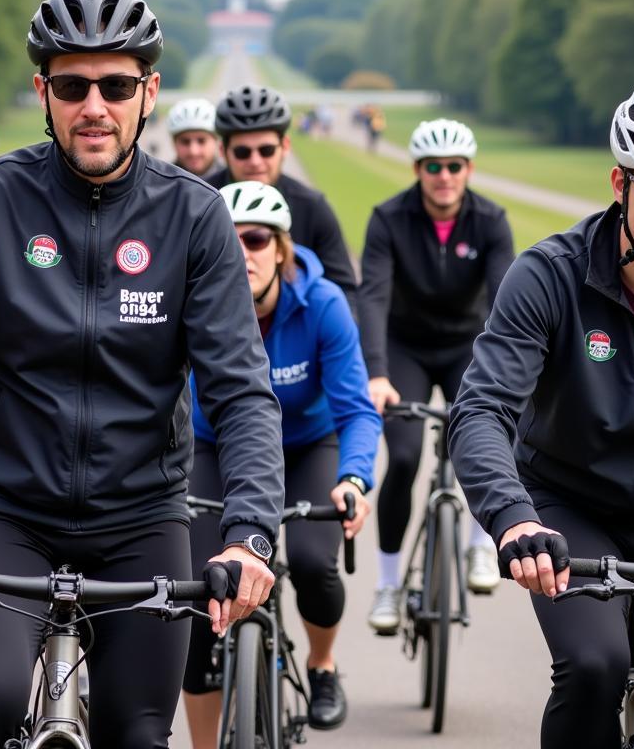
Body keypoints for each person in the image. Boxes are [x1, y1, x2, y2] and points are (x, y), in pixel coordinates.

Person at [0, 0, 286, 749]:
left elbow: (241, 390)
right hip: (4, 507)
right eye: (72, 84)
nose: (94, 104)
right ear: (43, 92)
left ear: (149, 93)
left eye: (116, 84)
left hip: (141, 514)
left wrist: (250, 533)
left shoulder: (195, 216)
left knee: (137, 735)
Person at [447, 77, 634, 748]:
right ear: (620, 183)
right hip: (568, 508)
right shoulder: (548, 277)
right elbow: (479, 413)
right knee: (594, 667)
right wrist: (513, 519)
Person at [182, 182, 381, 744]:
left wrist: (353, 478)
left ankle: (321, 664)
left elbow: (357, 409)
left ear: (282, 247)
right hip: (212, 446)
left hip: (304, 447)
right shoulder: (191, 303)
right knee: (200, 590)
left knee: (317, 561)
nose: (243, 250)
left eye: (256, 238)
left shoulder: (322, 304)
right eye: (229, 238)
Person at [362, 119, 514, 634]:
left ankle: (478, 549)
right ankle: (386, 585)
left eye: (453, 167)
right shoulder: (388, 218)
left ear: (468, 170)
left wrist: (507, 377)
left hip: (467, 345)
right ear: (418, 170)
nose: (444, 176)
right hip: (406, 347)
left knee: (481, 446)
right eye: (433, 167)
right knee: (403, 456)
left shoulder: (491, 220)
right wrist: (377, 373)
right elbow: (374, 297)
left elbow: (504, 304)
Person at [209, 85, 358, 305]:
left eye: (266, 150)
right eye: (242, 152)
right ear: (223, 152)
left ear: (285, 146)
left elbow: (345, 290)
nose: (255, 161)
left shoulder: (313, 207)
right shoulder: (199, 202)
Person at [167, 97, 221, 178]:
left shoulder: (232, 184)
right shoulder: (160, 183)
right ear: (174, 143)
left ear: (216, 141)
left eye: (201, 141)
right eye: (185, 142)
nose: (193, 151)